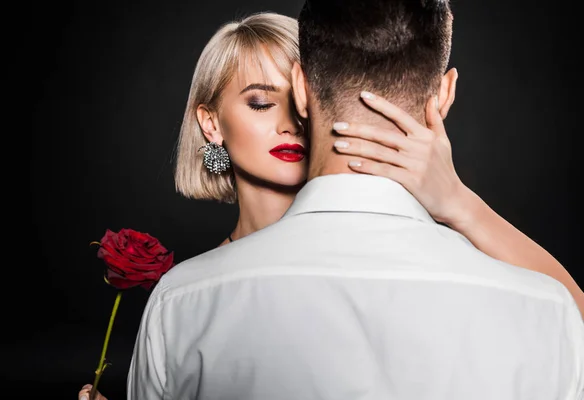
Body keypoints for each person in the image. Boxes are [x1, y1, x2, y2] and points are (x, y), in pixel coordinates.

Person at [79, 5, 584, 400]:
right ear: (210, 122)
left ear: (306, 92)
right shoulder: (184, 297)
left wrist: (457, 202)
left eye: (290, 99)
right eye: (258, 102)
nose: (289, 125)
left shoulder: (185, 299)